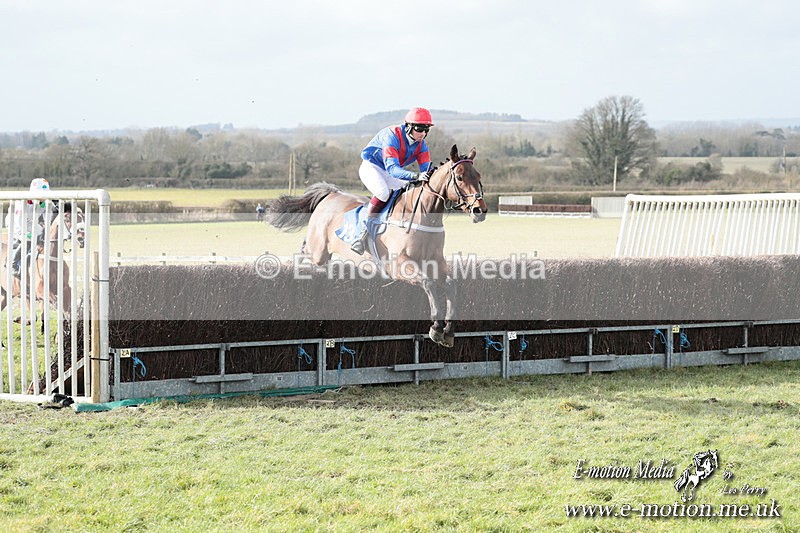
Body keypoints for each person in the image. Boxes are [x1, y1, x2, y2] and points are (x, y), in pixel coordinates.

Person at [350, 107, 436, 255]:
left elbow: (426, 169)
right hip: (372, 167)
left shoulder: (421, 145)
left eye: (426, 129)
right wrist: (416, 176)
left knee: (408, 191)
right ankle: (362, 235)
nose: (423, 133)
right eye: (419, 129)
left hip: (390, 172)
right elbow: (392, 170)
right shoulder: (392, 136)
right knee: (383, 193)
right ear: (408, 126)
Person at [8, 178, 51, 277]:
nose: (45, 198)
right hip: (15, 223)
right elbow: (19, 222)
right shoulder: (23, 203)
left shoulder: (43, 203)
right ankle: (13, 264)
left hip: (30, 223)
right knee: (28, 238)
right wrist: (27, 233)